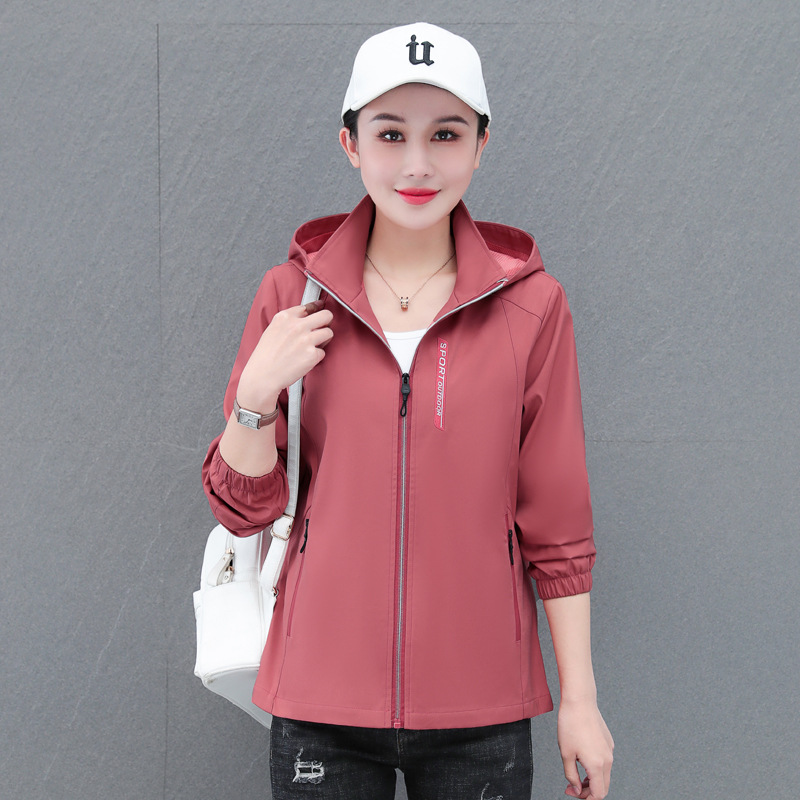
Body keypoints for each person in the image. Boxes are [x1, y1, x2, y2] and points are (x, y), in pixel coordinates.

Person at [202, 22, 613, 800]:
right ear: (351, 144)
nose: (418, 164)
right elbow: (241, 510)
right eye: (390, 134)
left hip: (482, 706)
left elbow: (558, 526)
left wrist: (580, 702)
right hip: (319, 701)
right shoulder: (291, 299)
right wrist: (255, 396)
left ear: (481, 145)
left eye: (445, 134)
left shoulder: (532, 308)